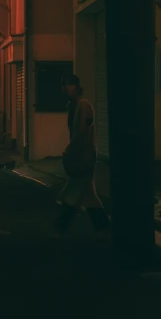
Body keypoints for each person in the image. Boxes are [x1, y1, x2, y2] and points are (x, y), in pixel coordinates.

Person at [53, 75, 111, 239]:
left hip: (84, 158)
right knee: (88, 197)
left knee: (72, 195)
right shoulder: (73, 106)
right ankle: (105, 228)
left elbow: (81, 133)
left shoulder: (83, 106)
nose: (66, 88)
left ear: (77, 86)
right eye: (64, 85)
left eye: (70, 85)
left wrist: (70, 151)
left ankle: (60, 227)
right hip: (81, 157)